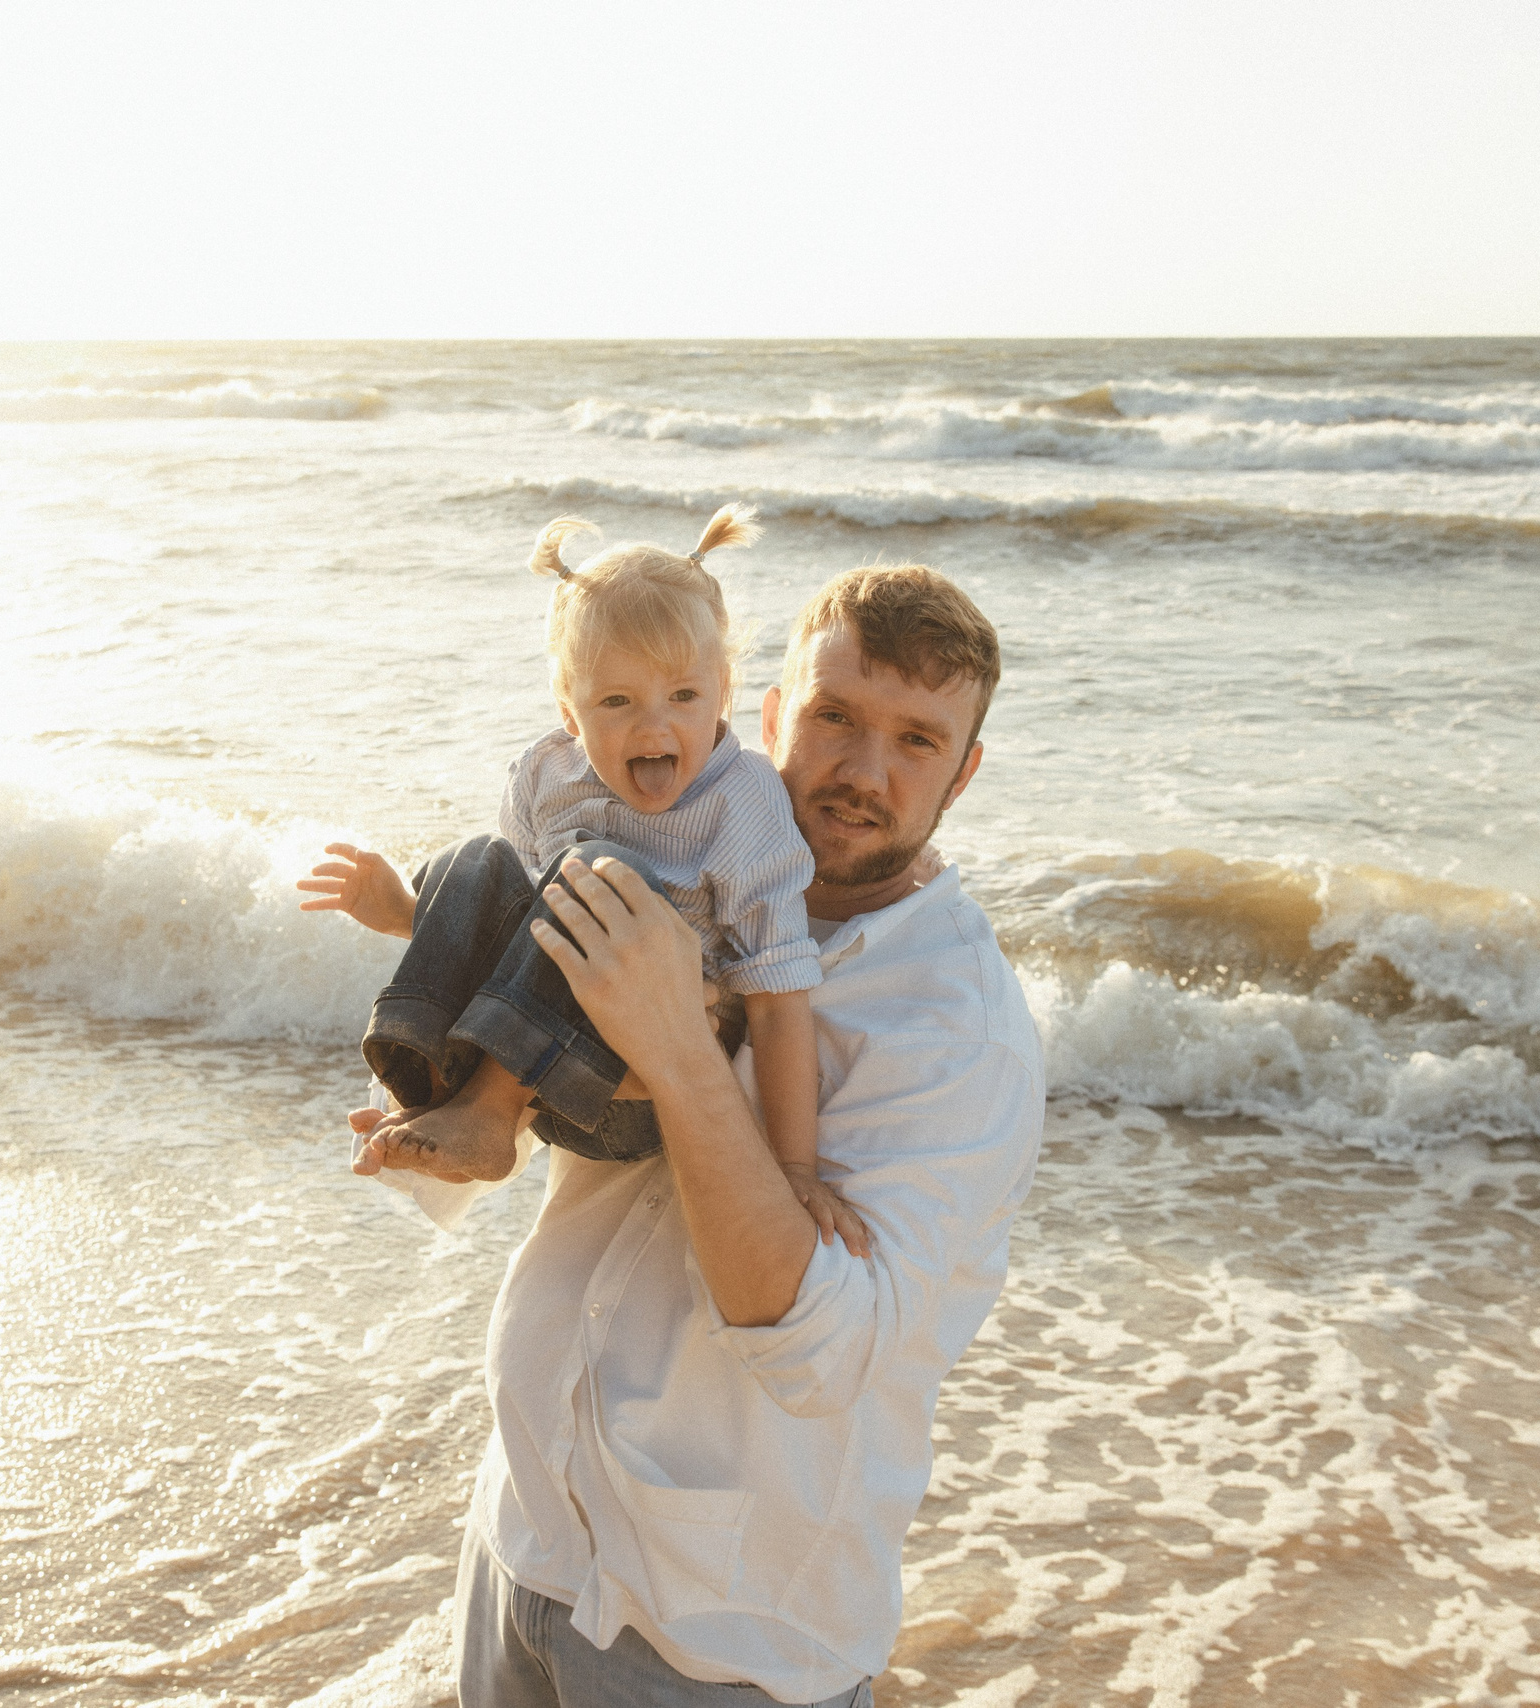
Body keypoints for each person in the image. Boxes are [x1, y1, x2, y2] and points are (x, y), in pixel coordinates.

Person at [354, 565, 1044, 1706]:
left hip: (712, 1641)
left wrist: (680, 1050)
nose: (864, 772)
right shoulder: (687, 868)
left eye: (917, 740)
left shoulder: (958, 1036)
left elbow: (814, 1347)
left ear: (963, 773)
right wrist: (462, 1105)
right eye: (834, 718)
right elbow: (567, 1093)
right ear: (763, 716)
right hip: (524, 1532)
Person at [297, 504, 865, 1250]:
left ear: (723, 691)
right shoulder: (545, 772)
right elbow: (518, 930)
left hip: (636, 1089)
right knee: (476, 858)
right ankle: (431, 1085)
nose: (654, 727)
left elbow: (781, 996)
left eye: (684, 697)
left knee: (598, 871)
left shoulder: (744, 802)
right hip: (541, 1070)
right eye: (616, 702)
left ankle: (491, 1110)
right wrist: (407, 909)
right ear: (570, 710)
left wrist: (795, 1165)